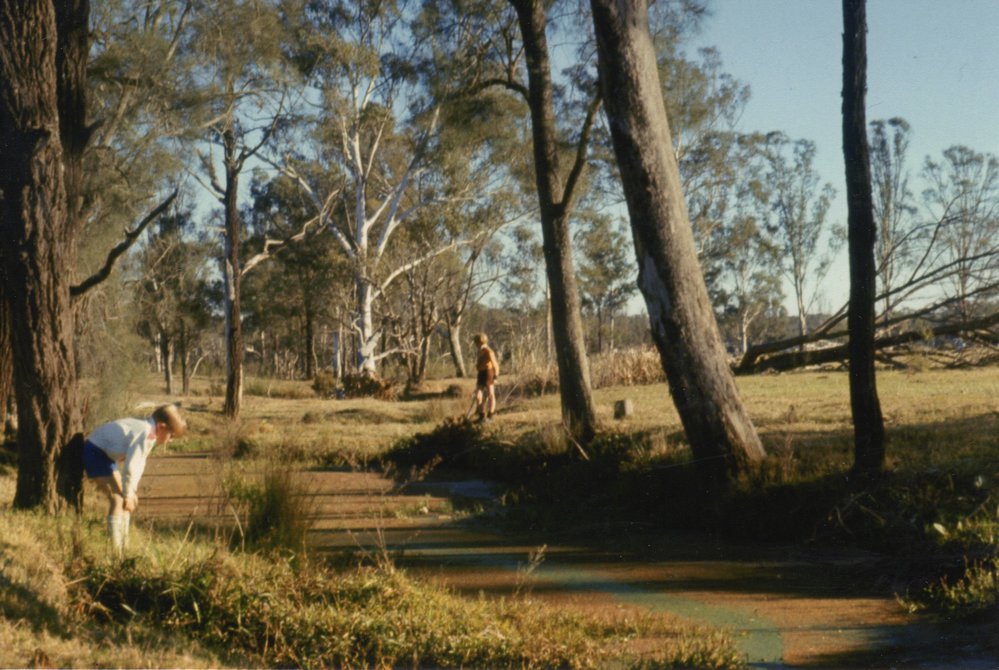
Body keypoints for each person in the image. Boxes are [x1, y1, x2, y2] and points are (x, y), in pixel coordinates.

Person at [83, 403, 187, 555]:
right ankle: (116, 551)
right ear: (162, 427)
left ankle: (124, 547)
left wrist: (132, 492)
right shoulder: (145, 433)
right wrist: (127, 494)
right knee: (118, 499)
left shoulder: (150, 433)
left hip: (107, 457)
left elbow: (139, 464)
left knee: (126, 500)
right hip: (96, 452)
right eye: (171, 436)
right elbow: (130, 468)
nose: (170, 441)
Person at [466, 333, 499, 423]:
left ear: (480, 342)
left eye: (477, 343)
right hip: (481, 373)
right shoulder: (479, 351)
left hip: (488, 373)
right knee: (478, 395)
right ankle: (481, 415)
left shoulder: (489, 351)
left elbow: (495, 364)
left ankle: (490, 416)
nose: (476, 345)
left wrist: (495, 377)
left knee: (490, 394)